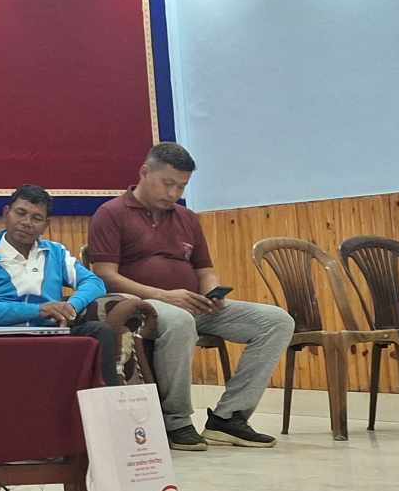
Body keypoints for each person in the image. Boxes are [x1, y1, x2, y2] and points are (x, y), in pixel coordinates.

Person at [88, 142, 294, 451]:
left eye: (181, 186)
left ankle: (229, 418)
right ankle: (177, 421)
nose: (173, 193)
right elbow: (105, 274)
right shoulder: (111, 214)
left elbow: (205, 270)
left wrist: (212, 291)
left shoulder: (187, 218)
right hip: (141, 307)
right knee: (180, 321)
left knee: (277, 321)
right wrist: (164, 296)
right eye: (167, 183)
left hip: (192, 304)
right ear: (144, 172)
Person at [0, 185, 127, 385]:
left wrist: (71, 307)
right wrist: (39, 310)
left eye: (36, 218)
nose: (26, 223)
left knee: (100, 331)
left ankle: (107, 400)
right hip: (1, 337)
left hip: (51, 335)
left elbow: (94, 283)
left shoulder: (55, 253)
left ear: (46, 225)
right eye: (20, 213)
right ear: (6, 213)